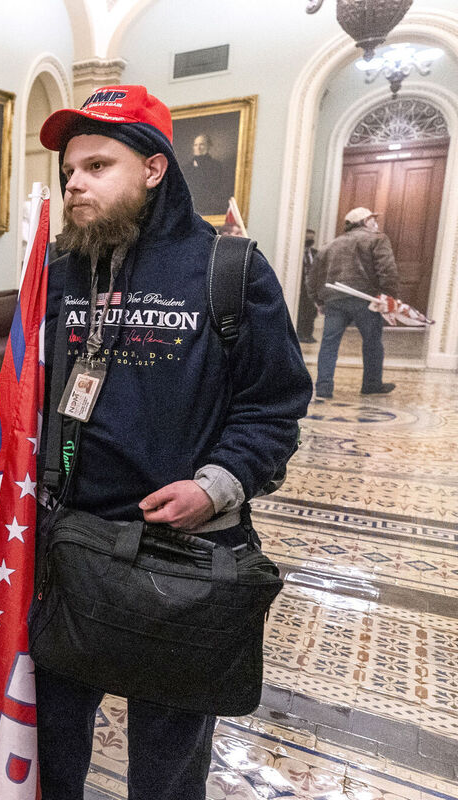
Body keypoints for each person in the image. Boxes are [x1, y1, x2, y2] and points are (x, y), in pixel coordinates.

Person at [33, 85, 310, 799]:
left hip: (182, 560)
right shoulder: (63, 273)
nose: (75, 184)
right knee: (53, 739)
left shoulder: (229, 269)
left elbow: (274, 406)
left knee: (167, 758)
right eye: (69, 171)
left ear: (154, 169)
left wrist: (213, 486)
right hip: (73, 548)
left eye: (97, 166)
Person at [307, 207, 400, 399]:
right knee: (372, 343)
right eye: (372, 219)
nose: (376, 222)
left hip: (334, 301)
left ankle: (324, 388)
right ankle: (371, 384)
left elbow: (313, 277)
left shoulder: (329, 245)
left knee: (329, 344)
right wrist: (388, 296)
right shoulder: (377, 239)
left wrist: (318, 301)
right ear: (365, 222)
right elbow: (387, 270)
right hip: (366, 300)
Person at [184, 133, 230, 216]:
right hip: (190, 210)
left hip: (210, 209)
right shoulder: (186, 168)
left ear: (208, 146)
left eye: (201, 144)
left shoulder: (216, 166)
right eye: (195, 145)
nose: (198, 148)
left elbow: (220, 188)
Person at [297, 228, 319, 343]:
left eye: (312, 238)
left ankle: (308, 334)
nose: (310, 240)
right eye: (308, 237)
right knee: (301, 311)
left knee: (312, 312)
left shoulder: (316, 253)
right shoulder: (297, 254)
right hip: (300, 288)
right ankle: (299, 333)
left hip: (312, 288)